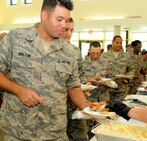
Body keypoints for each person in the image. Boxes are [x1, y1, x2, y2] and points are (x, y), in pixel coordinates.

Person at [0, 0, 89, 140]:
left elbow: (73, 85)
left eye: (66, 20)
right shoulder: (15, 39)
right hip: (18, 129)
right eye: (59, 19)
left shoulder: (69, 51)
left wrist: (89, 108)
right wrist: (18, 90)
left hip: (54, 131)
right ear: (44, 15)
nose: (64, 25)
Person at [61, 17, 88, 141]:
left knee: (80, 135)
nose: (69, 34)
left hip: (75, 102)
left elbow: (80, 73)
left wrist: (84, 85)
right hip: (57, 105)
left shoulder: (75, 51)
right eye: (66, 30)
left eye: (72, 30)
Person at [101, 35, 135, 101]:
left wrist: (127, 77)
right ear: (112, 43)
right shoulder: (104, 55)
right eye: (117, 42)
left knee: (121, 109)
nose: (119, 45)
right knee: (107, 109)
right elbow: (100, 69)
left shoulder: (126, 56)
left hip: (122, 89)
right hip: (107, 89)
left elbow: (131, 69)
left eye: (120, 43)